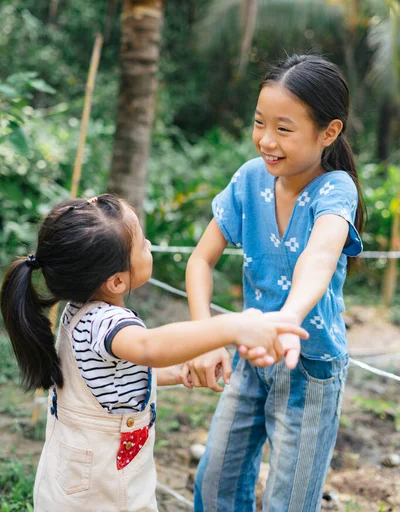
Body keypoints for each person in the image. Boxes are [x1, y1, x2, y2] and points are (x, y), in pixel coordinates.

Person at [0, 194, 308, 512]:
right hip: (101, 490)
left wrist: (174, 374)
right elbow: (149, 347)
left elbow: (114, 376)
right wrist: (233, 326)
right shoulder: (108, 322)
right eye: (142, 243)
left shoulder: (78, 311)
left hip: (71, 480)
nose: (149, 244)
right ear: (117, 281)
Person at [184, 54, 365, 512]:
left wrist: (288, 317)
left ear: (329, 132)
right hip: (251, 357)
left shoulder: (335, 190)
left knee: (289, 502)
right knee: (214, 486)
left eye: (284, 129)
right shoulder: (249, 180)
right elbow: (200, 261)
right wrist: (204, 337)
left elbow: (319, 256)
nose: (266, 140)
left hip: (311, 367)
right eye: (260, 122)